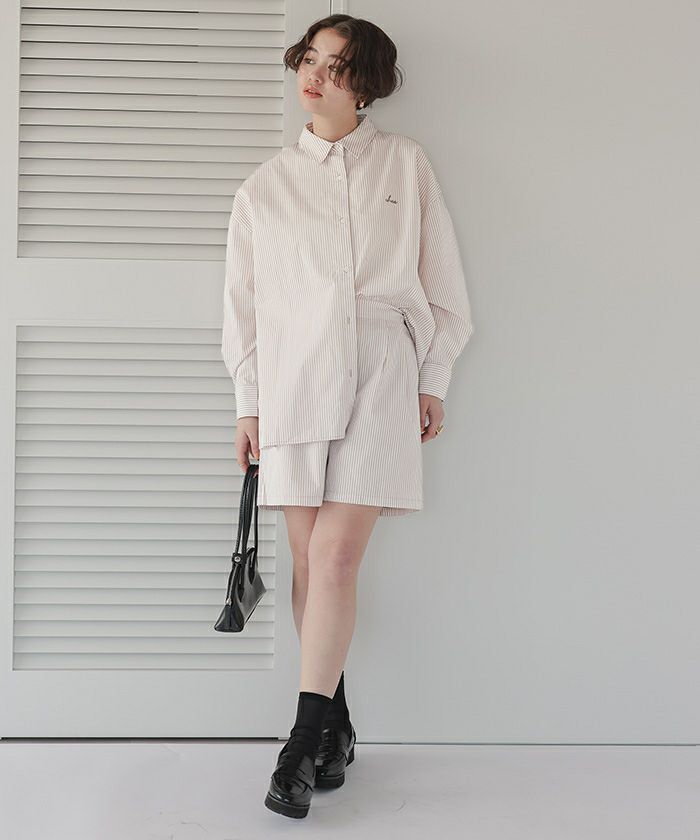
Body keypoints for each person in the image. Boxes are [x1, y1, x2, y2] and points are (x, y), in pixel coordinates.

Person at [221, 14, 474, 819]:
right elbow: (243, 310)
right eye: (309, 59)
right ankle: (337, 725)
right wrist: (248, 404)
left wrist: (433, 378)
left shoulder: (405, 163)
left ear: (366, 82)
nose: (315, 76)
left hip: (381, 371)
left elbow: (445, 289)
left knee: (333, 560)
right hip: (291, 377)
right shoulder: (265, 187)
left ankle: (301, 743)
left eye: (335, 65)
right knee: (308, 561)